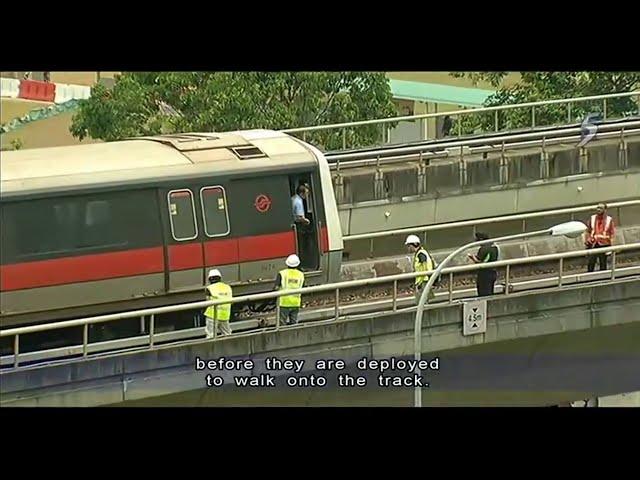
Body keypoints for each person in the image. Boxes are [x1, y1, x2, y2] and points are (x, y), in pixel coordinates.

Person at [274, 254, 305, 325]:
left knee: (281, 324)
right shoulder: (301, 275)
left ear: (287, 263)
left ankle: (282, 336)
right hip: (295, 303)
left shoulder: (282, 273)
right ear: (298, 264)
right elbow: (303, 288)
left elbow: (276, 288)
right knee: (294, 323)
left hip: (283, 303)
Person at [585, 203, 615, 272]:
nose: (598, 209)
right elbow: (588, 230)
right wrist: (587, 240)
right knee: (591, 262)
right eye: (597, 208)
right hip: (593, 243)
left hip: (604, 244)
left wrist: (611, 246)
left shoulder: (609, 220)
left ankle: (603, 279)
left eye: (601, 208)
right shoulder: (592, 218)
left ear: (605, 210)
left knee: (603, 263)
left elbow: (612, 233)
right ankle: (589, 277)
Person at [405, 235, 435, 303]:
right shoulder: (420, 252)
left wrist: (420, 283)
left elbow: (424, 266)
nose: (408, 248)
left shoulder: (421, 254)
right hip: (423, 281)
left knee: (420, 302)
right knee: (424, 301)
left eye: (409, 246)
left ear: (414, 245)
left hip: (424, 281)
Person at [468, 232, 499, 297]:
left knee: (483, 294)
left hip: (484, 274)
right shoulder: (494, 247)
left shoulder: (483, 249)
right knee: (490, 292)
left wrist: (473, 258)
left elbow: (481, 262)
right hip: (493, 273)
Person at [204, 269, 232, 338]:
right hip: (225, 315)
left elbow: (208, 301)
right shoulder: (227, 287)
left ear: (210, 279)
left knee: (211, 336)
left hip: (212, 315)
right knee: (228, 335)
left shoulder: (209, 288)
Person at [291, 184, 313, 269]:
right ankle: (302, 264)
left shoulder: (293, 198)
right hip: (299, 226)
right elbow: (300, 217)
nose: (306, 195)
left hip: (294, 225)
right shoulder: (299, 201)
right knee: (302, 246)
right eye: (306, 193)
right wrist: (307, 221)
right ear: (302, 193)